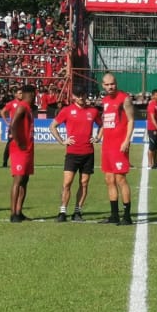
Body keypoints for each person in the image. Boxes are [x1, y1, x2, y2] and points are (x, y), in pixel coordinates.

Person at [51, 82, 100, 222]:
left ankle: (77, 212)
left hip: (88, 153)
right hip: (72, 153)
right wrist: (62, 141)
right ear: (73, 97)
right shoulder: (67, 110)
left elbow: (103, 126)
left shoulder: (93, 111)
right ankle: (62, 212)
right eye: (78, 96)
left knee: (84, 183)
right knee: (67, 183)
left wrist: (97, 138)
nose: (81, 98)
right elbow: (53, 126)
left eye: (83, 95)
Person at [100, 73, 136, 225]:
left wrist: (127, 140)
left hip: (119, 145)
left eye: (112, 84)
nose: (110, 87)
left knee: (120, 179)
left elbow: (131, 120)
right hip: (107, 145)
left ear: (116, 83)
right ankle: (114, 215)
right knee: (109, 179)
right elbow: (106, 121)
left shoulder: (124, 98)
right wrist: (99, 135)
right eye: (107, 85)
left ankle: (127, 216)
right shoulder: (105, 100)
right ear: (103, 85)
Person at [6, 83, 34, 222]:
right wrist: (18, 141)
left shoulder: (28, 108)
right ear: (32, 95)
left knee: (25, 180)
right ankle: (13, 214)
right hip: (20, 150)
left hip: (28, 149)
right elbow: (13, 124)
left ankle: (19, 211)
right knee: (18, 180)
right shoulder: (22, 106)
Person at [145, 89, 157, 170]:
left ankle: (155, 162)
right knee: (151, 147)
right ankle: (149, 163)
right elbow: (152, 119)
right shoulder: (152, 105)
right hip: (152, 129)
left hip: (156, 128)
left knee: (156, 147)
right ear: (153, 96)